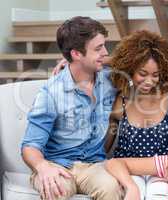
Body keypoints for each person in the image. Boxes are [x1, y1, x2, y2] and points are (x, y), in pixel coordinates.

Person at [21, 16, 121, 200]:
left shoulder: (109, 80)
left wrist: (102, 60)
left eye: (104, 46)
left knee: (112, 188)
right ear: (76, 54)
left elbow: (138, 61)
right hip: (56, 164)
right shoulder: (51, 92)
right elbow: (30, 146)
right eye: (98, 48)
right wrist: (43, 168)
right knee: (54, 188)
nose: (105, 52)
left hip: (93, 165)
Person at [105, 30, 168, 200]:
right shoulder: (121, 101)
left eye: (155, 75)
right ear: (129, 69)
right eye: (142, 74)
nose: (149, 81)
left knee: (159, 193)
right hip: (128, 169)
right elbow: (106, 146)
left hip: (163, 170)